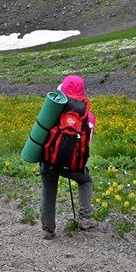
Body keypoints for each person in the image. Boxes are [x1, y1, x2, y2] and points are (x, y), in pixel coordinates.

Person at [40, 75, 98, 240]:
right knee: (85, 180)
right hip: (73, 164)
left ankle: (48, 229)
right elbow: (87, 144)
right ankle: (85, 218)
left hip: (49, 162)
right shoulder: (88, 116)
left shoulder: (53, 109)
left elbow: (41, 133)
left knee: (49, 189)